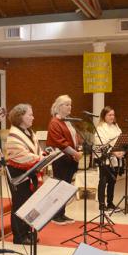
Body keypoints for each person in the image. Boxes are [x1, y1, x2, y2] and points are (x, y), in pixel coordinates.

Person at [5, 104, 46, 245]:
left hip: (30, 171)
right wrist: (42, 159)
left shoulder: (29, 132)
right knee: (20, 203)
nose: (33, 117)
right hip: (18, 173)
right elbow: (21, 155)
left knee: (30, 203)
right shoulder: (13, 135)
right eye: (30, 114)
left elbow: (37, 150)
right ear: (20, 117)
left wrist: (41, 157)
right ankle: (19, 236)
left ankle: (29, 231)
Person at [46, 94, 81, 225]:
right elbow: (60, 142)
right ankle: (55, 215)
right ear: (59, 107)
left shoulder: (68, 120)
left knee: (65, 188)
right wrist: (75, 153)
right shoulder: (55, 122)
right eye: (67, 104)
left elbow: (74, 137)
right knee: (59, 188)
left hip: (70, 159)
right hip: (61, 160)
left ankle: (62, 213)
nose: (70, 107)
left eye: (70, 104)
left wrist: (78, 148)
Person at [93, 106, 123, 210]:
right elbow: (101, 143)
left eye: (113, 115)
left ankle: (110, 203)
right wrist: (114, 152)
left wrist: (121, 151)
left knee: (112, 181)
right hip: (105, 158)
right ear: (104, 116)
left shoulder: (116, 127)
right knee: (103, 181)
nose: (112, 117)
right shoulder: (100, 128)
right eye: (109, 115)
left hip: (116, 158)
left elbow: (121, 140)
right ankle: (102, 204)